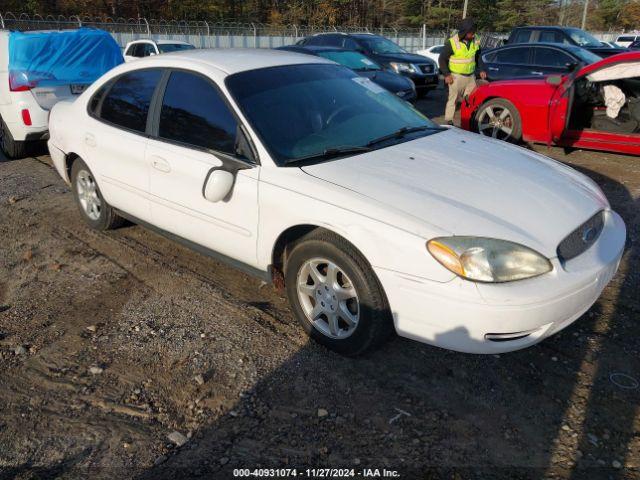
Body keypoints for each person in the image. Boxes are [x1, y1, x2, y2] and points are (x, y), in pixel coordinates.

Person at [439, 18, 487, 125]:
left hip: (470, 77)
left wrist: (481, 69)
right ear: (465, 32)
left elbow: (478, 56)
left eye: (474, 33)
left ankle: (468, 120)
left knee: (471, 99)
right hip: (455, 77)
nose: (473, 35)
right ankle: (449, 121)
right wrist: (447, 74)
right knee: (453, 99)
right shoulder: (452, 43)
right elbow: (442, 59)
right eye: (471, 33)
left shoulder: (475, 40)